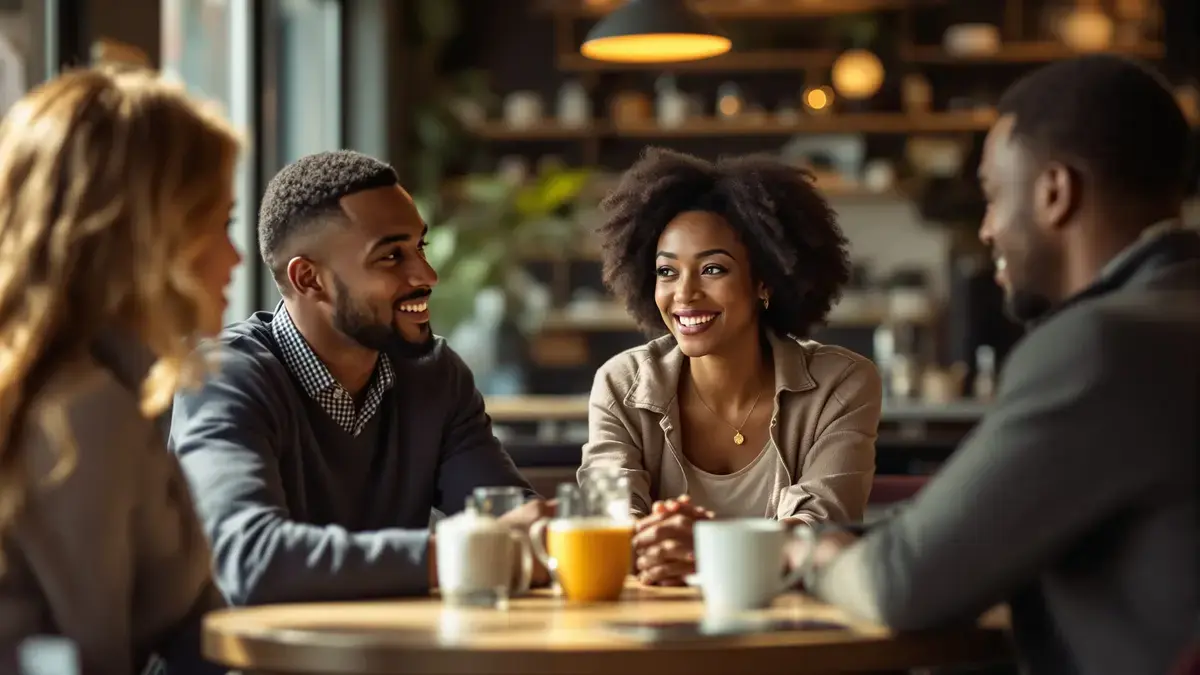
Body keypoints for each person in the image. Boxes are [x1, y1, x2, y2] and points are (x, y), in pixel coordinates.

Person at [805, 55, 1199, 675]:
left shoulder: (1099, 346)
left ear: (1054, 192)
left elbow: (898, 586)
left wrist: (808, 554)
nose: (986, 229)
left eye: (991, 193)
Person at [169, 150, 548, 606]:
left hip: (382, 661)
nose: (426, 275)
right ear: (309, 279)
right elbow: (250, 559)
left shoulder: (435, 375)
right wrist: (461, 554)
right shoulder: (222, 377)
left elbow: (512, 524)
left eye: (419, 248)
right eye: (390, 256)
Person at [0, 67, 242, 674]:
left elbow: (194, 627)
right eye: (219, 223)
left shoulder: (112, 391)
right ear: (154, 237)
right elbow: (95, 660)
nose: (236, 257)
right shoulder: (82, 413)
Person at [580, 148, 882, 587]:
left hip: (789, 634)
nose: (684, 294)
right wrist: (648, 541)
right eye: (667, 271)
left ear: (764, 281)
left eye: (713, 269)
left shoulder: (841, 385)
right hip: (655, 631)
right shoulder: (621, 384)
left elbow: (819, 530)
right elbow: (610, 521)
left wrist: (697, 545)